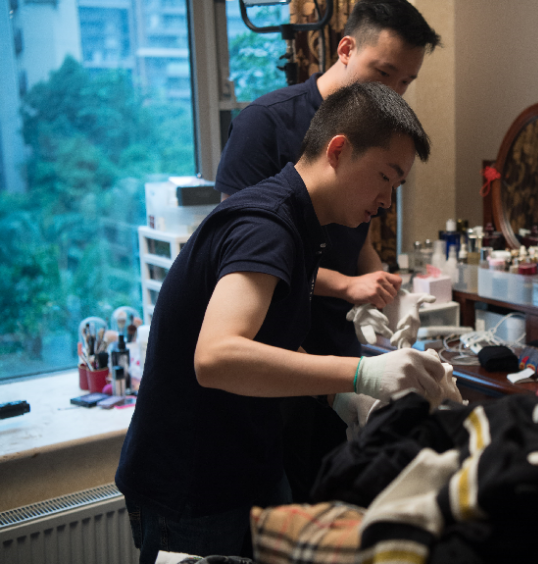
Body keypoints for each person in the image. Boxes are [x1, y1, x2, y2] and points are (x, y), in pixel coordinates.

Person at [116, 82, 447, 563]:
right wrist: (359, 372)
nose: (386, 202)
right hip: (193, 483)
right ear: (338, 150)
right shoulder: (267, 226)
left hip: (249, 464)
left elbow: (271, 339)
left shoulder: (302, 223)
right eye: (385, 177)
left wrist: (340, 396)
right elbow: (217, 357)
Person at [215, 0, 442, 359]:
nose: (393, 92)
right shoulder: (264, 123)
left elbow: (358, 238)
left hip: (340, 338)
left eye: (405, 81)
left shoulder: (381, 135)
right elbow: (235, 246)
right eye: (384, 73)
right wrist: (346, 285)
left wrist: (385, 293)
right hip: (274, 344)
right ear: (347, 49)